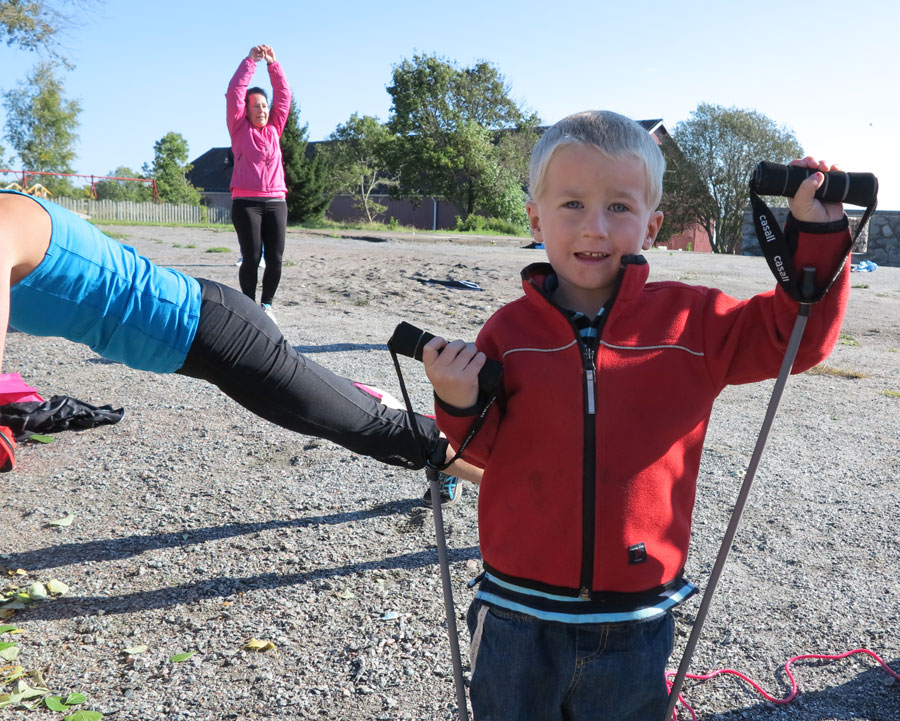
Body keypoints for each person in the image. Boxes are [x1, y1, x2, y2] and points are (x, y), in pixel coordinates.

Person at [422, 110, 852, 720]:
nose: (595, 227)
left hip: (635, 617)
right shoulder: (508, 332)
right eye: (572, 203)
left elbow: (796, 336)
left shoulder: (692, 322)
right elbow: (489, 452)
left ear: (651, 226)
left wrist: (816, 233)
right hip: (518, 611)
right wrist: (458, 401)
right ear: (535, 218)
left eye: (619, 207)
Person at [0, 188, 481, 487]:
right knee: (344, 413)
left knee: (373, 431)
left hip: (218, 333)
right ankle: (357, 397)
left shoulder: (7, 222)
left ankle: (528, 498)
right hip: (206, 338)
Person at [226, 44, 290, 325]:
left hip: (276, 201)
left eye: (265, 106)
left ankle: (266, 305)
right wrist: (251, 62)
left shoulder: (275, 129)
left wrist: (273, 66)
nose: (262, 110)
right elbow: (235, 93)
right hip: (246, 203)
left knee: (275, 258)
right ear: (246, 111)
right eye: (256, 106)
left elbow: (285, 97)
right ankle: (248, 308)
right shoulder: (239, 128)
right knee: (251, 258)